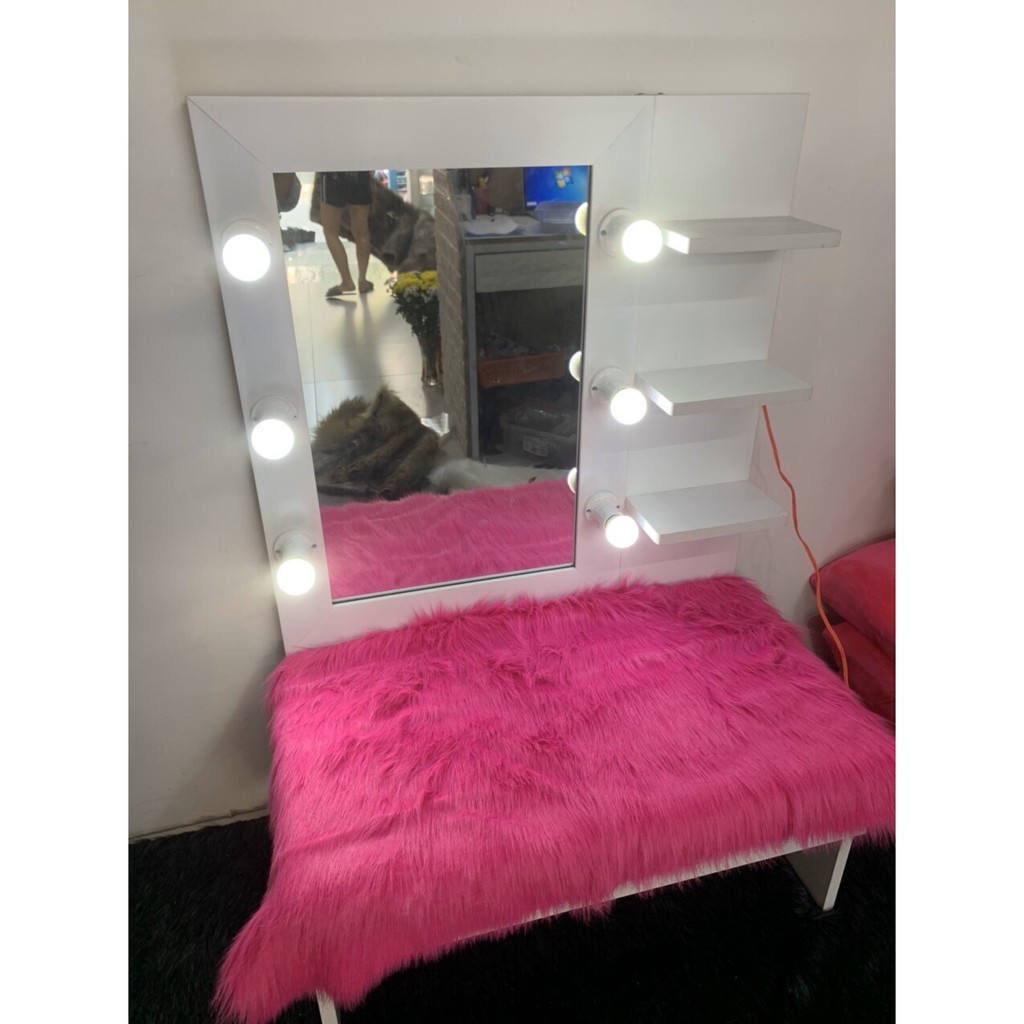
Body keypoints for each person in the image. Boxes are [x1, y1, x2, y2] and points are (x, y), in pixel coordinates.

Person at [318, 171, 373, 296]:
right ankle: (362, 280)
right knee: (362, 233)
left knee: (330, 232)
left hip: (332, 173)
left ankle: (347, 281)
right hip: (359, 171)